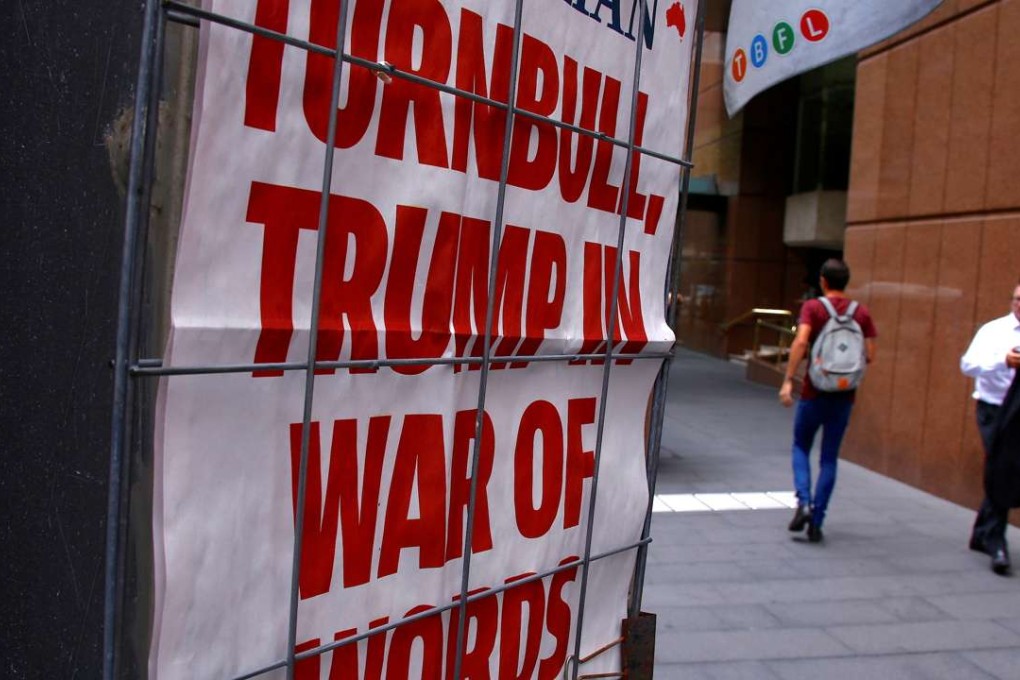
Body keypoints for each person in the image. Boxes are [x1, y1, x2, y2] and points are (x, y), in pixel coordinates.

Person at [779, 259, 877, 543]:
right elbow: (870, 354)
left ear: (823, 281)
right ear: (846, 282)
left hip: (814, 391)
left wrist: (788, 378)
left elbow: (801, 341)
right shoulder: (862, 313)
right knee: (829, 458)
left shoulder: (814, 307)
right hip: (844, 394)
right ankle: (817, 520)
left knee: (800, 445)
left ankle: (804, 502)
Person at [960, 281, 1020, 575]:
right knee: (1002, 468)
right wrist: (1003, 362)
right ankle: (996, 541)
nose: (1019, 305)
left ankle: (981, 533)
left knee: (1005, 470)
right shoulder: (993, 331)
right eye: (1017, 299)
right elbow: (968, 365)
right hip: (993, 409)